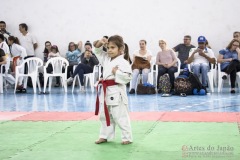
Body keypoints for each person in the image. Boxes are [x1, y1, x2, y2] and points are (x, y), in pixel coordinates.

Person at [94, 35, 132, 145]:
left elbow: (128, 77)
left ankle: (127, 137)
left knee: (119, 116)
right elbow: (96, 49)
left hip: (117, 92)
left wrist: (117, 73)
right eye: (108, 47)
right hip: (105, 92)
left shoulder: (123, 62)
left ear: (120, 49)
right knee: (104, 115)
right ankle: (104, 136)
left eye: (112, 47)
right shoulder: (106, 58)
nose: (109, 50)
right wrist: (101, 42)